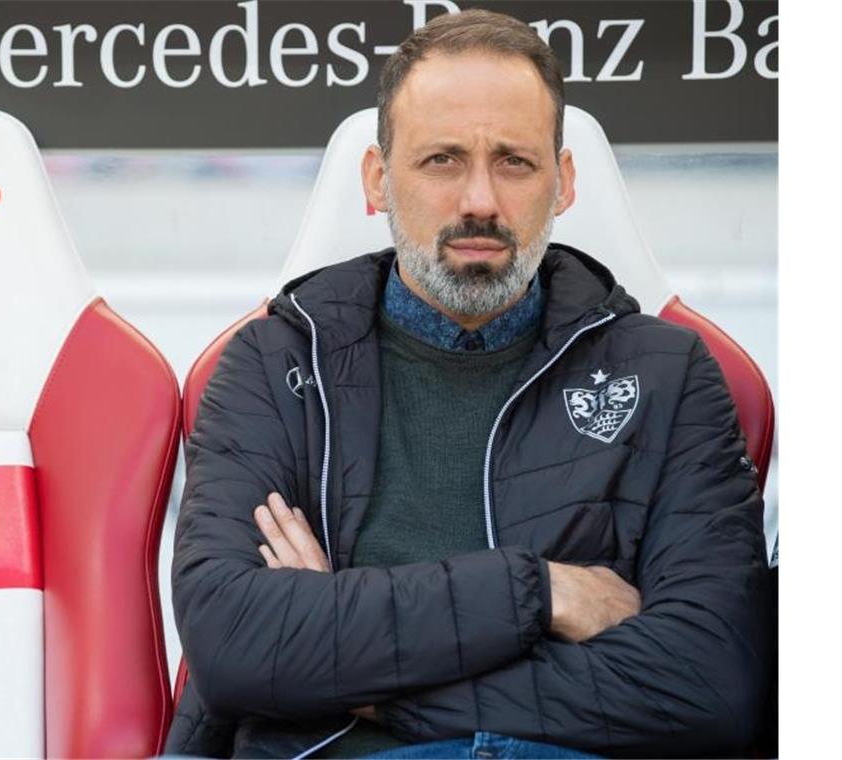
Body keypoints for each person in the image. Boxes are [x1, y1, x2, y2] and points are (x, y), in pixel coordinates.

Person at [165, 9, 769, 759]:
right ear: (378, 180)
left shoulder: (667, 374)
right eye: (442, 159)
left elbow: (709, 684)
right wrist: (542, 593)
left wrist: (362, 680)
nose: (480, 199)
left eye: (514, 161)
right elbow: (235, 644)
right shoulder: (277, 365)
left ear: (564, 182)